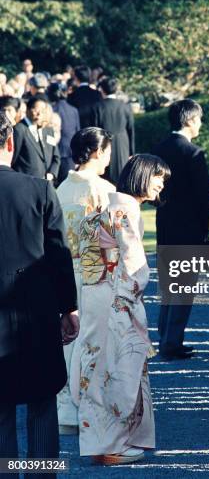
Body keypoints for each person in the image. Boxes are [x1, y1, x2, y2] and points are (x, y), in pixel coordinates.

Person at [73, 154, 170, 464]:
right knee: (120, 368)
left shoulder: (105, 206)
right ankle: (114, 445)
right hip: (117, 298)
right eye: (158, 178)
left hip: (95, 295)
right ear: (142, 175)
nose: (161, 185)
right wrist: (133, 296)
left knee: (97, 368)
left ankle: (102, 443)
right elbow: (134, 266)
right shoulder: (123, 210)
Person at [0, 111, 79, 471]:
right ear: (11, 143)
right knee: (42, 400)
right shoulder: (39, 189)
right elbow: (59, 254)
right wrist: (68, 307)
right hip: (36, 308)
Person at [56, 128, 115, 434]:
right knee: (94, 342)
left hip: (65, 270)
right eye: (106, 152)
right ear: (96, 152)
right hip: (92, 273)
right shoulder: (103, 190)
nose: (108, 158)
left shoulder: (61, 189)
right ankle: (91, 408)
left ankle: (65, 408)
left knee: (68, 341)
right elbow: (107, 241)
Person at [152, 99, 209, 359]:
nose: (200, 124)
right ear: (190, 120)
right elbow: (203, 196)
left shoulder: (159, 149)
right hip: (189, 228)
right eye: (198, 119)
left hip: (165, 224)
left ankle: (165, 335)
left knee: (168, 286)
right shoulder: (193, 153)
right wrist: (204, 231)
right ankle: (171, 342)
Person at [89, 77, 135, 184]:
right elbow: (131, 130)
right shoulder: (125, 107)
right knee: (122, 173)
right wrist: (132, 151)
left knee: (105, 175)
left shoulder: (97, 107)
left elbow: (95, 130)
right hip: (123, 143)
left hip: (104, 142)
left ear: (102, 90)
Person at [12, 95, 60, 181]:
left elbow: (56, 157)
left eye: (43, 111)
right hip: (25, 182)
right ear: (28, 110)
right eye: (36, 109)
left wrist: (52, 174)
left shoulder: (48, 130)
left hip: (45, 183)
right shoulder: (20, 129)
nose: (39, 113)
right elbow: (13, 158)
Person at [48, 82, 80, 183]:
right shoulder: (74, 110)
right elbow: (78, 132)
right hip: (70, 153)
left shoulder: (51, 110)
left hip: (54, 153)